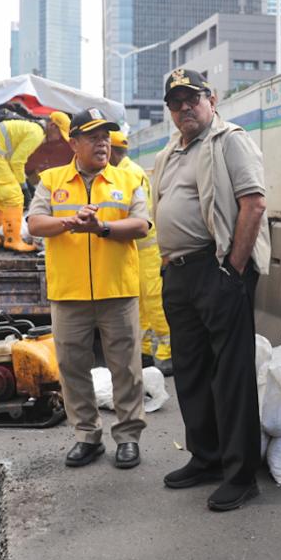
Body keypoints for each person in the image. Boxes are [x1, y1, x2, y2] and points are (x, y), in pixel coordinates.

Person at [151, 69, 269, 512]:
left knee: (231, 374)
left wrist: (233, 271)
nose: (185, 107)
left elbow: (253, 203)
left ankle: (240, 475)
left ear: (212, 99)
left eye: (192, 98)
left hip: (216, 268)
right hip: (178, 273)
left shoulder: (230, 141)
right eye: (175, 101)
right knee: (191, 370)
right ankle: (207, 457)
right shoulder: (170, 151)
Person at [27, 111, 150, 469]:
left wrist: (101, 228)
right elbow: (35, 223)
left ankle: (128, 437)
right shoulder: (51, 180)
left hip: (117, 290)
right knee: (72, 368)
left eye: (106, 137)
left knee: (126, 368)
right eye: (94, 137)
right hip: (69, 293)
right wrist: (69, 221)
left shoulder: (128, 179)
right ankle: (87, 436)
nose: (103, 143)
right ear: (74, 143)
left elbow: (141, 225)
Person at [109, 130, 173, 377]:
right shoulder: (127, 171)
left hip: (147, 250)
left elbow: (138, 217)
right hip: (139, 250)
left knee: (154, 302)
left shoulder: (128, 174)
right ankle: (145, 350)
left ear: (112, 152)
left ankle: (168, 354)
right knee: (141, 305)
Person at [0, 107, 69, 252]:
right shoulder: (36, 133)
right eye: (59, 134)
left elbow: (14, 160)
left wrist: (23, 182)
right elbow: (17, 161)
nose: (58, 139)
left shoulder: (33, 129)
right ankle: (13, 240)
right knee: (14, 197)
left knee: (2, 196)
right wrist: (24, 186)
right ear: (52, 126)